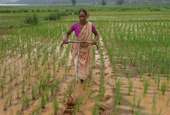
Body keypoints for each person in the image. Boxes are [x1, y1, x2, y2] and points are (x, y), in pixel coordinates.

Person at [62, 8, 99, 83]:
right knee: (76, 62)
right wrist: (65, 38)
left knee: (84, 64)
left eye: (83, 16)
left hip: (86, 47)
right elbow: (67, 33)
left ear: (87, 16)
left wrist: (95, 40)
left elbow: (96, 34)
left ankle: (82, 77)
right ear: (78, 17)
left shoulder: (90, 26)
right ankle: (80, 76)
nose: (82, 18)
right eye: (80, 16)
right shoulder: (74, 25)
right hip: (76, 47)